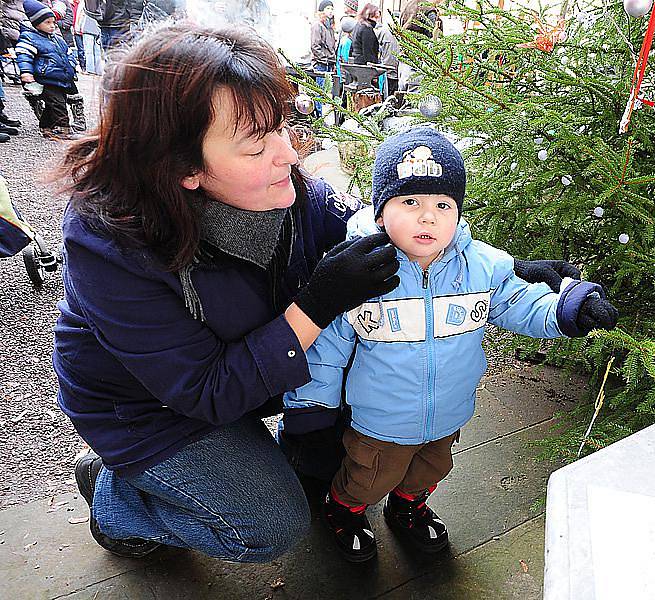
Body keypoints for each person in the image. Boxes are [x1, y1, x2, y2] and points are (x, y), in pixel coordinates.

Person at [54, 22, 583, 565]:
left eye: (282, 126)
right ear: (182, 168)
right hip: (152, 405)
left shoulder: (297, 195)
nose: (288, 153)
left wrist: (505, 270)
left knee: (337, 458)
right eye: (257, 145)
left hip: (255, 370)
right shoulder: (111, 243)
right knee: (269, 527)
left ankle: (238, 462)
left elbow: (381, 242)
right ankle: (119, 498)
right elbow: (206, 391)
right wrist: (318, 303)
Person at [284, 127, 619, 562]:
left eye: (442, 205)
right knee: (367, 477)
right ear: (380, 213)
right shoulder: (360, 273)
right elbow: (325, 349)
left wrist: (566, 311)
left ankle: (409, 508)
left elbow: (518, 300)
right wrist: (311, 408)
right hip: (378, 421)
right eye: (411, 203)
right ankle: (344, 511)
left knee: (430, 468)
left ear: (458, 213)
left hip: (448, 412)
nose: (428, 217)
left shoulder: (480, 267)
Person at [15, 0, 78, 139]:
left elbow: (68, 53)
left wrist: (72, 65)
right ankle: (63, 129)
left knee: (52, 104)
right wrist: (26, 73)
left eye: (53, 22)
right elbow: (24, 56)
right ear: (36, 23)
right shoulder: (29, 38)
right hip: (46, 78)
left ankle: (46, 127)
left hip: (60, 77)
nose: (52, 26)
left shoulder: (57, 39)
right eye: (47, 22)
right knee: (58, 104)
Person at [310, 0, 335, 118]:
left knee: (325, 92)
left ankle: (321, 116)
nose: (330, 11)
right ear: (322, 11)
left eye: (331, 8)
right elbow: (315, 46)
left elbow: (331, 46)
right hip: (321, 64)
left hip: (329, 63)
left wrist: (332, 60)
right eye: (328, 8)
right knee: (319, 92)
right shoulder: (317, 25)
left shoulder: (329, 26)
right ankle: (318, 116)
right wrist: (324, 59)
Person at [349, 2, 379, 66]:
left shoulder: (358, 25)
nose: (376, 20)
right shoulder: (367, 29)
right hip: (364, 66)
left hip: (357, 62)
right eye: (375, 17)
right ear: (369, 16)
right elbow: (368, 52)